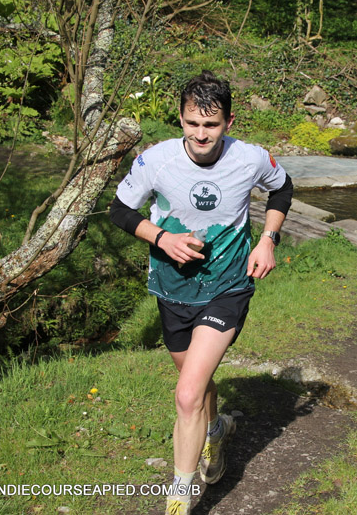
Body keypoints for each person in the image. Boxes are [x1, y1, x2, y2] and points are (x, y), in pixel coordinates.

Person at [108, 70, 293, 515]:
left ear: (229, 122)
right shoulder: (156, 160)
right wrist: (162, 238)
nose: (201, 134)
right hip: (172, 288)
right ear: (180, 119)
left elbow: (282, 188)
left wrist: (268, 239)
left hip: (227, 285)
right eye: (192, 123)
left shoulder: (250, 158)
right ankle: (215, 432)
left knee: (188, 394)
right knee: (197, 380)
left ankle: (180, 497)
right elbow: (119, 210)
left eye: (211, 125)